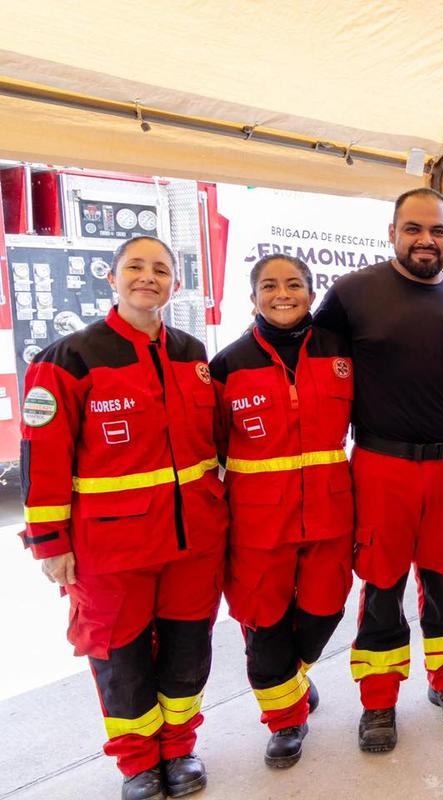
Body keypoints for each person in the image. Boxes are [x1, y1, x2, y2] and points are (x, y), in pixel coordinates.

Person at [19, 236, 228, 800]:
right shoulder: (68, 359)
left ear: (174, 285)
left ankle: (179, 747)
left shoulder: (192, 353)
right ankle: (138, 762)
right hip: (111, 548)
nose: (148, 277)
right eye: (135, 266)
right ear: (111, 278)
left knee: (189, 649)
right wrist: (49, 543)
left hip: (194, 541)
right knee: (120, 657)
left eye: (161, 269)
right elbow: (42, 459)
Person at [313, 187, 443, 752]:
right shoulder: (351, 295)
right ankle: (378, 701)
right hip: (380, 464)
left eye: (438, 231)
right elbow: (314, 373)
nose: (426, 240)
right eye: (414, 229)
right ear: (392, 232)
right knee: (382, 585)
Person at [210, 255, 353, 769]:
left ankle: (291, 679)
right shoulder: (227, 365)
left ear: (311, 294)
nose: (282, 293)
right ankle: (286, 721)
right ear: (253, 299)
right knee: (264, 621)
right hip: (256, 523)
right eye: (268, 285)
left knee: (325, 609)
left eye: (294, 284)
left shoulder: (341, 352)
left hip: (331, 515)